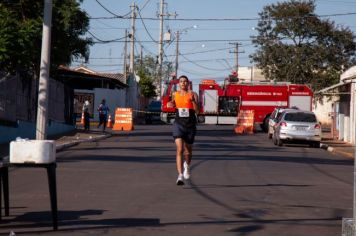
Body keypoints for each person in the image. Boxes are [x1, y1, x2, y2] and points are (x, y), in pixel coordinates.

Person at [167, 75, 199, 185]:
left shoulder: (193, 94)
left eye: (185, 81)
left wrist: (193, 101)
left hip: (190, 124)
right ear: (179, 83)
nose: (183, 83)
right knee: (179, 149)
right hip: (178, 124)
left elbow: (197, 111)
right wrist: (170, 104)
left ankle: (187, 166)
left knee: (188, 150)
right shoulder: (175, 94)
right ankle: (180, 175)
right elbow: (172, 104)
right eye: (181, 81)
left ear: (188, 83)